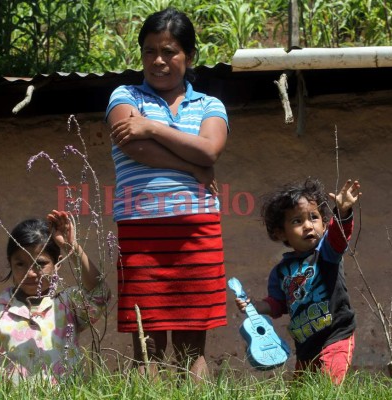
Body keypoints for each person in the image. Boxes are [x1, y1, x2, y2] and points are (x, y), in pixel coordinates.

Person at [105, 7, 229, 379]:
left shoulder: (210, 105)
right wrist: (189, 165)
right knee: (148, 350)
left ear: (189, 56)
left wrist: (153, 129)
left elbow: (209, 150)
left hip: (197, 234)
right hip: (141, 234)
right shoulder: (125, 95)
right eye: (149, 51)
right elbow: (132, 146)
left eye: (169, 51)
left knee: (192, 350)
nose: (158, 61)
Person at [0, 210, 110, 382]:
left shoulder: (68, 302)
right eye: (20, 264)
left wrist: (72, 247)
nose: (31, 273)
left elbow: (100, 293)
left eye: (40, 263)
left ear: (57, 264)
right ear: (10, 263)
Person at [236, 178, 360, 384]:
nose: (308, 226)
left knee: (329, 386)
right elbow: (278, 304)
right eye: (297, 221)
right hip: (305, 345)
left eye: (314, 217)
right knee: (301, 391)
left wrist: (343, 213)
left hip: (336, 336)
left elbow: (339, 236)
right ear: (280, 232)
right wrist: (255, 306)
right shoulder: (281, 271)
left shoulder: (326, 253)